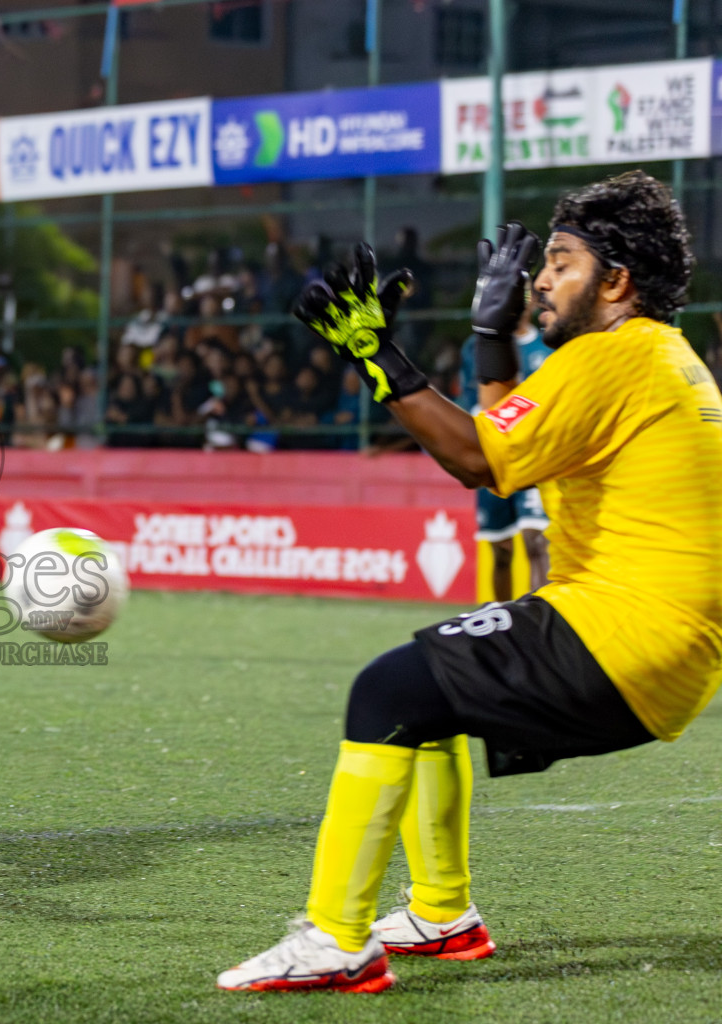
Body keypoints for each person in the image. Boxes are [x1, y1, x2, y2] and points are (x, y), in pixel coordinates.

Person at [220, 171, 722, 993]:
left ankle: (337, 940)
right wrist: (494, 334)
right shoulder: (649, 355)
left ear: (618, 282)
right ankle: (442, 916)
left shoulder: (615, 356)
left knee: (384, 693)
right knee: (433, 694)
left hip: (628, 633)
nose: (544, 279)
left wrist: (373, 351)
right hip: (655, 643)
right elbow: (506, 445)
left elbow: (472, 456)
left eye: (562, 263)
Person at [458, 307, 553, 600]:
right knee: (501, 552)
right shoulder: (476, 347)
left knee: (537, 543)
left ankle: (539, 630)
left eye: (523, 293)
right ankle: (502, 625)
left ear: (534, 301)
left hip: (535, 459)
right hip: (494, 457)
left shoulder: (548, 346)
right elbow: (469, 400)